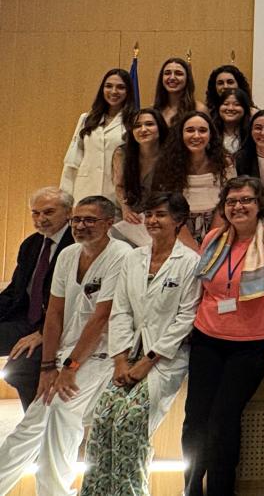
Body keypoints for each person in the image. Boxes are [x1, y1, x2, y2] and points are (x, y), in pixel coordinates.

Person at [0, 196, 131, 496]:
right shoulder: (68, 254)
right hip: (65, 354)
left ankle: (54, 491)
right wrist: (48, 367)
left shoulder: (122, 255)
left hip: (101, 356)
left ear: (109, 224)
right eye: (76, 220)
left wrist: (70, 368)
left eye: (90, 220)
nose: (81, 226)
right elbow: (55, 313)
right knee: (30, 426)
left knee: (61, 414)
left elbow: (100, 319)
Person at [79, 192, 201, 496]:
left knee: (130, 421)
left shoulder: (190, 262)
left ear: (178, 221)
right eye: (149, 215)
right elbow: (121, 310)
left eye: (160, 214)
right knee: (104, 418)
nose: (152, 220)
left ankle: (131, 492)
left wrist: (148, 361)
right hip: (126, 355)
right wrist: (120, 360)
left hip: (164, 358)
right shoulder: (134, 258)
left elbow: (185, 318)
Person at [183, 176, 264, 496]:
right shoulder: (213, 240)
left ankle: (221, 490)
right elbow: (202, 289)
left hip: (254, 345)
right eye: (231, 202)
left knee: (222, 419)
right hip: (208, 338)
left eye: (246, 200)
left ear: (259, 203)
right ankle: (191, 489)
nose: (238, 207)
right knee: (194, 419)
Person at [0, 187, 75, 409]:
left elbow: (75, 301)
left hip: (56, 326)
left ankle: (35, 425)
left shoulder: (76, 245)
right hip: (25, 319)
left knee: (21, 368)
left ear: (69, 212)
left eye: (48, 212)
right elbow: (16, 291)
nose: (41, 219)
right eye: (35, 213)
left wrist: (43, 332)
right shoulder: (31, 244)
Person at [152, 110, 236, 248]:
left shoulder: (225, 163)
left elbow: (227, 202)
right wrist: (194, 250)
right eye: (190, 130)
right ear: (181, 134)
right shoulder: (167, 165)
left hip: (219, 230)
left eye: (202, 130)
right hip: (177, 230)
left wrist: (209, 245)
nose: (196, 136)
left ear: (211, 135)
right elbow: (170, 210)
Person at [61, 67, 135, 205]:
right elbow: (73, 161)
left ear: (128, 92)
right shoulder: (87, 118)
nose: (114, 91)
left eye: (120, 87)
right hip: (84, 192)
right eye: (109, 86)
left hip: (115, 197)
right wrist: (65, 200)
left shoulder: (133, 121)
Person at [112, 107, 168, 222]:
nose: (143, 129)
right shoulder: (122, 153)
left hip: (164, 215)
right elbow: (119, 186)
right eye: (137, 126)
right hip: (133, 217)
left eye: (149, 124)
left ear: (160, 127)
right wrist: (126, 209)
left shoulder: (171, 154)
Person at [152, 57, 207, 127]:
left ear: (187, 79)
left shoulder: (198, 109)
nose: (172, 78)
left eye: (178, 73)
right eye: (167, 73)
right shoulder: (155, 109)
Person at [213, 87, 252, 155]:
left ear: (245, 109)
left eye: (237, 104)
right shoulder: (210, 132)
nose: (230, 108)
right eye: (226, 104)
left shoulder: (251, 133)